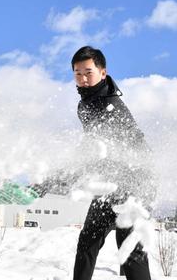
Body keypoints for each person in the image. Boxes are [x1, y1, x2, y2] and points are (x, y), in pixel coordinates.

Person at [71, 46, 152, 280]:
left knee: (129, 248)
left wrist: (62, 177)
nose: (83, 79)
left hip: (135, 183)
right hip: (110, 182)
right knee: (88, 241)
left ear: (103, 73)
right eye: (78, 73)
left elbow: (95, 152)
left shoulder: (110, 107)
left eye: (88, 72)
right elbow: (90, 148)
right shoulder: (84, 105)